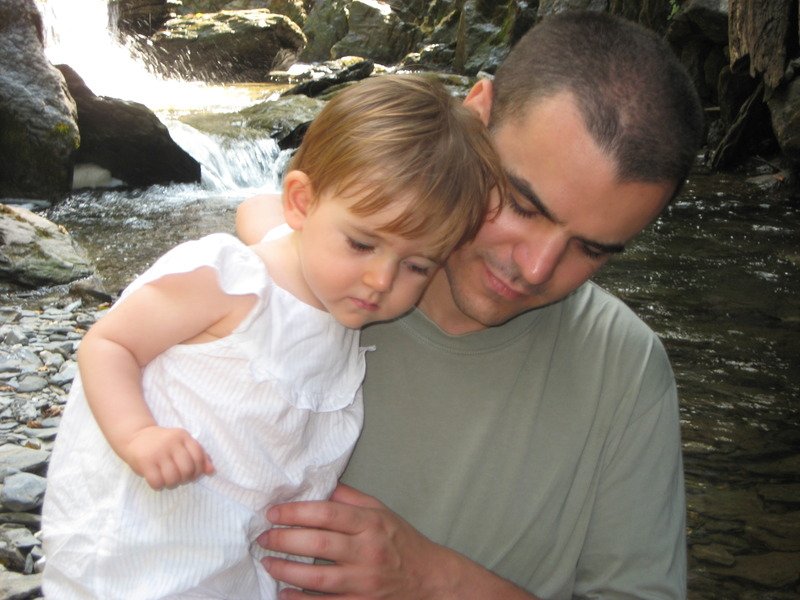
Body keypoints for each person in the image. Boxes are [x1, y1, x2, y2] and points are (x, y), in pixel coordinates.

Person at [237, 10, 705, 600]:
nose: (536, 268)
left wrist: (437, 581)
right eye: (522, 205)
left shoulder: (626, 370)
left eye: (591, 249)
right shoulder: (282, 283)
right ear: (476, 114)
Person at [40, 75, 503, 599]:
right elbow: (109, 344)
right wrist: (138, 434)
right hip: (136, 552)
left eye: (418, 266)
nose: (381, 280)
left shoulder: (330, 289)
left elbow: (260, 213)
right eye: (361, 243)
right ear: (300, 203)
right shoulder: (231, 282)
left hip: (224, 563)